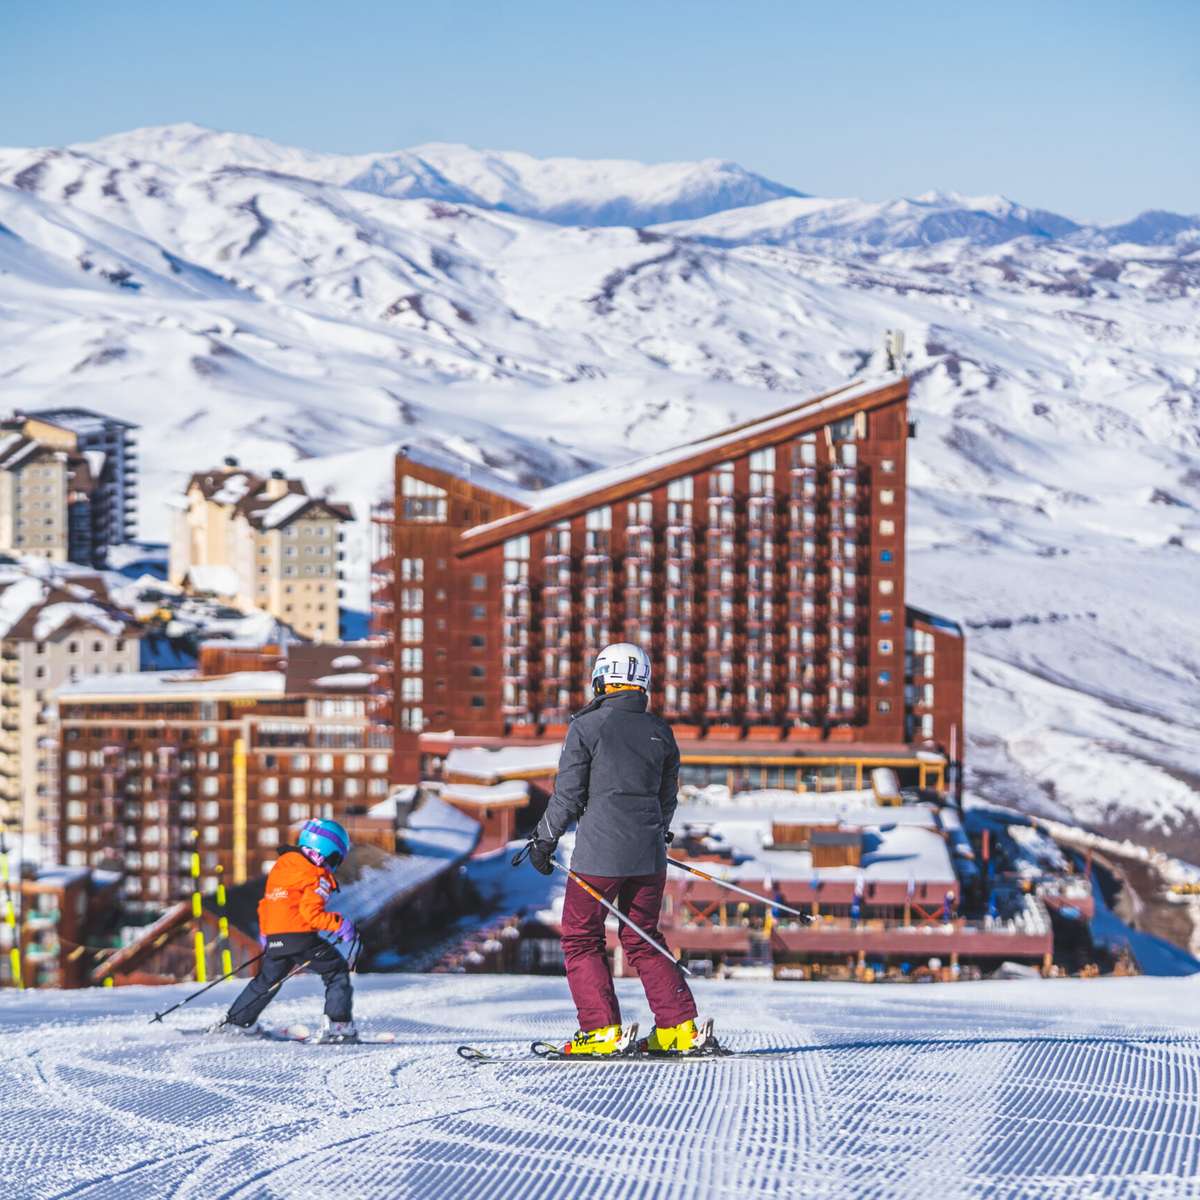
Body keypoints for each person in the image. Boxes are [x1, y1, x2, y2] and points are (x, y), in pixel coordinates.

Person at [524, 642, 711, 1056]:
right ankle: (679, 1027)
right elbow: (667, 796)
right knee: (643, 937)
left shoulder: (586, 729)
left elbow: (568, 795)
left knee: (580, 935)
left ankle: (601, 1030)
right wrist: (655, 833)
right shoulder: (659, 731)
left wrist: (544, 838)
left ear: (602, 677)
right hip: (648, 856)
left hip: (599, 857)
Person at [221, 818, 360, 1041]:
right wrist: (340, 925)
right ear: (328, 851)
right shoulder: (316, 875)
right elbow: (310, 914)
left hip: (276, 936)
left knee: (267, 980)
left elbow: (267, 904)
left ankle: (238, 1022)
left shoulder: (282, 869)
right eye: (336, 858)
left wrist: (267, 934)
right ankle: (339, 1026)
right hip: (300, 936)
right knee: (336, 971)